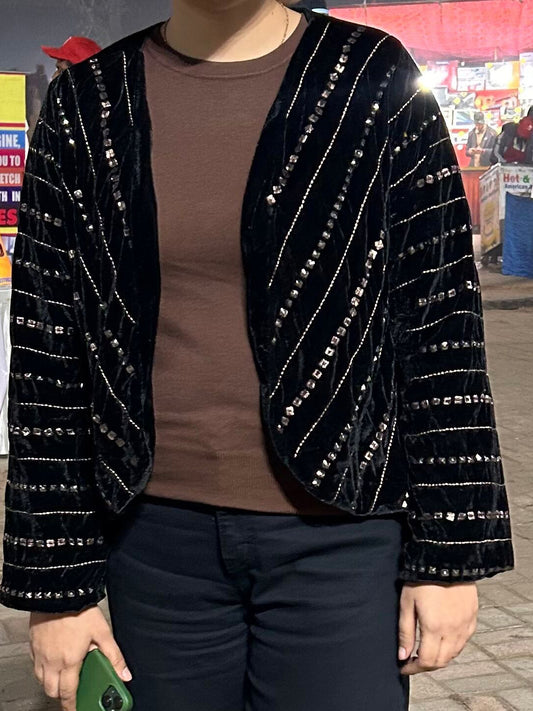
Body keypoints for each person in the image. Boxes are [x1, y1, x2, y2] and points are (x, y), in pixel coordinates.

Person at [1, 1, 514, 710]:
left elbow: (439, 324)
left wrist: (449, 556)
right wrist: (58, 588)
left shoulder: (371, 78)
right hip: (152, 543)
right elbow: (47, 350)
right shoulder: (88, 103)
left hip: (341, 537)